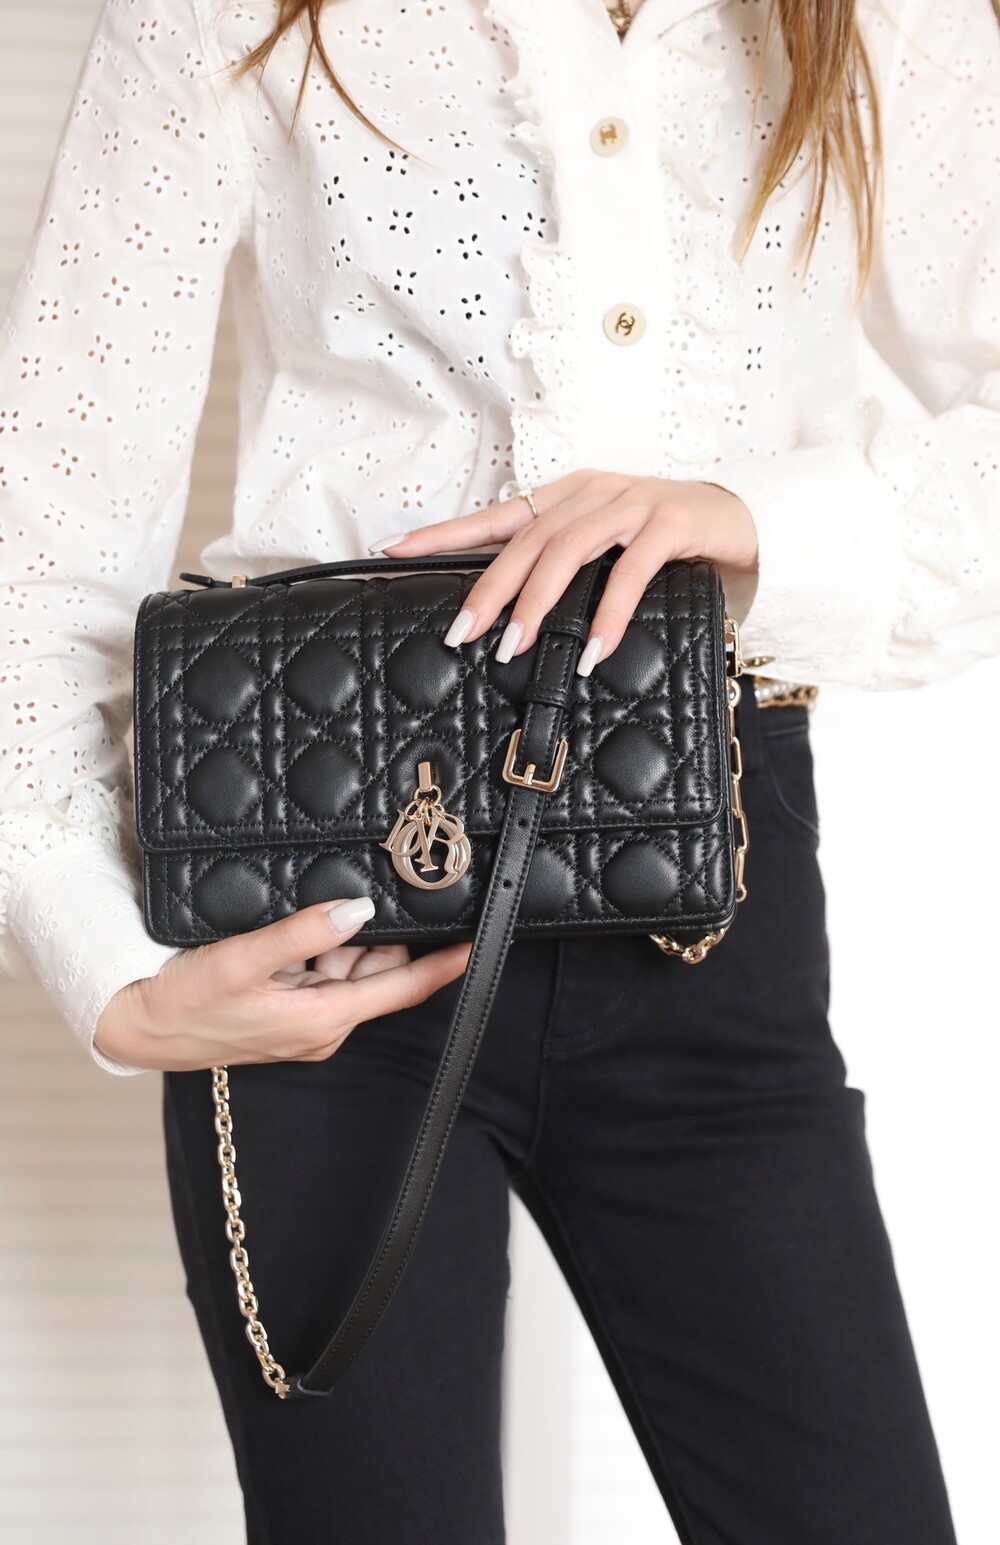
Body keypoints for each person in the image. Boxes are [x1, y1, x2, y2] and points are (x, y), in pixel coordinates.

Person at [1, 0, 996, 1538]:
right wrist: (103, 957)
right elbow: (48, 514)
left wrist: (761, 515)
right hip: (320, 908)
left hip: (708, 898)